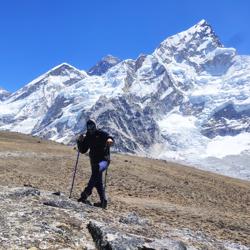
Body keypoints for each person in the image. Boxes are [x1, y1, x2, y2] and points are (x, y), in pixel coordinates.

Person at [77, 119, 114, 209]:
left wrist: (110, 140)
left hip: (104, 161)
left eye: (92, 126)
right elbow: (83, 150)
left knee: (95, 175)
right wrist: (80, 141)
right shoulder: (87, 136)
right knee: (98, 182)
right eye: (89, 126)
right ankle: (103, 202)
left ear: (95, 126)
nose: (90, 128)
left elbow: (110, 138)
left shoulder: (101, 134)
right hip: (93, 161)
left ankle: (85, 194)